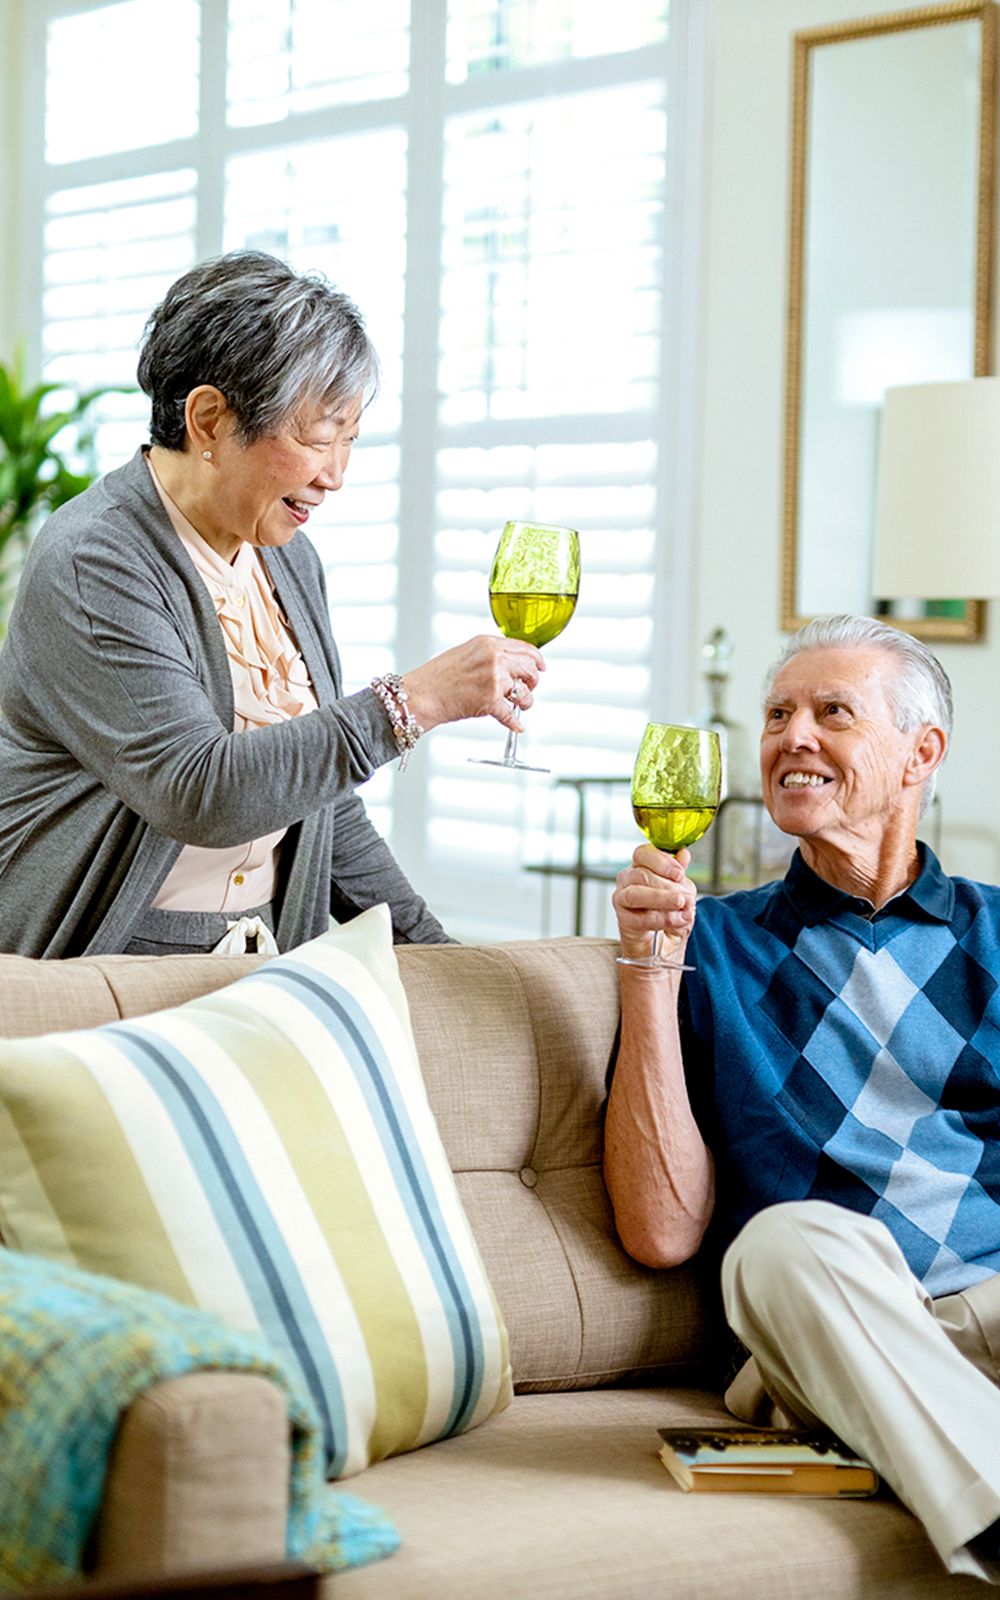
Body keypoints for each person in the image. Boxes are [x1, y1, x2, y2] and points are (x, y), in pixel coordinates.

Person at [0, 251, 543, 958]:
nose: (336, 474)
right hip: (105, 969)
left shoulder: (286, 554)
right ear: (208, 421)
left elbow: (316, 798)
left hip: (262, 964)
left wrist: (438, 957)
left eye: (350, 440)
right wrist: (409, 703)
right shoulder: (95, 559)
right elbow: (200, 791)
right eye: (318, 439)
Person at [606, 613, 1000, 1583]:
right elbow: (659, 1233)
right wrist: (646, 974)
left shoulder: (995, 934)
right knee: (788, 1238)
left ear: (921, 753)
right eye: (778, 713)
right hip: (831, 1325)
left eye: (832, 711)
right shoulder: (714, 947)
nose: (793, 737)